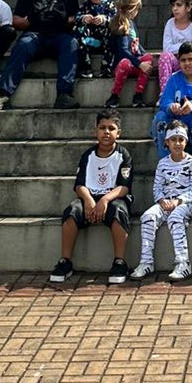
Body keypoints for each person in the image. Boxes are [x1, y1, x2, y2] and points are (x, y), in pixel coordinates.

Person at [50, 109, 134, 285]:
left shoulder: (123, 155)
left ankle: (120, 262)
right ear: (95, 131)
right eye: (102, 128)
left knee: (119, 211)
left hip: (113, 198)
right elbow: (79, 185)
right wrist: (88, 200)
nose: (106, 132)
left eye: (111, 128)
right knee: (72, 211)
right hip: (89, 197)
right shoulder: (88, 155)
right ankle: (65, 261)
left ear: (118, 133)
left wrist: (104, 200)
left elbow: (124, 187)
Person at [0, 0, 79, 112]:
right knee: (22, 45)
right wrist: (30, 20)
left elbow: (77, 18)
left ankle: (64, 94)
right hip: (36, 35)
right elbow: (16, 21)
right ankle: (3, 94)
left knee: (72, 44)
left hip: (60, 36)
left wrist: (64, 20)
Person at [131, 122, 192, 282]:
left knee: (175, 218)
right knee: (148, 217)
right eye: (173, 139)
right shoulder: (162, 164)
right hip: (165, 203)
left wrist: (178, 201)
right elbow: (157, 188)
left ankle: (183, 263)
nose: (177, 143)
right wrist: (162, 200)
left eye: (181, 139)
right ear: (166, 142)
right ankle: (146, 262)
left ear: (186, 141)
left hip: (184, 204)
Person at [103, 0, 156, 108]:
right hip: (122, 65)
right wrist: (139, 64)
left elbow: (137, 45)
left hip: (135, 64)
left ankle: (138, 95)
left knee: (148, 58)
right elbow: (123, 52)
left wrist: (145, 57)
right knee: (125, 63)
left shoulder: (132, 24)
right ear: (132, 9)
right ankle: (114, 95)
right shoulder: (119, 25)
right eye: (137, 9)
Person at [158, 0, 192, 90]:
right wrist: (187, 46)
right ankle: (166, 93)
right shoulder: (170, 24)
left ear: (188, 7)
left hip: (191, 61)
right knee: (164, 56)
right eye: (173, 5)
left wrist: (184, 51)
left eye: (179, 5)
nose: (175, 8)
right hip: (176, 62)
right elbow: (167, 48)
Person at [75, 0, 114, 79]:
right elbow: (76, 18)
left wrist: (104, 19)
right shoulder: (85, 6)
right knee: (79, 30)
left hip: (104, 41)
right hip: (89, 41)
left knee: (111, 32)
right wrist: (84, 18)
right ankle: (85, 67)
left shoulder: (109, 5)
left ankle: (107, 67)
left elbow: (116, 19)